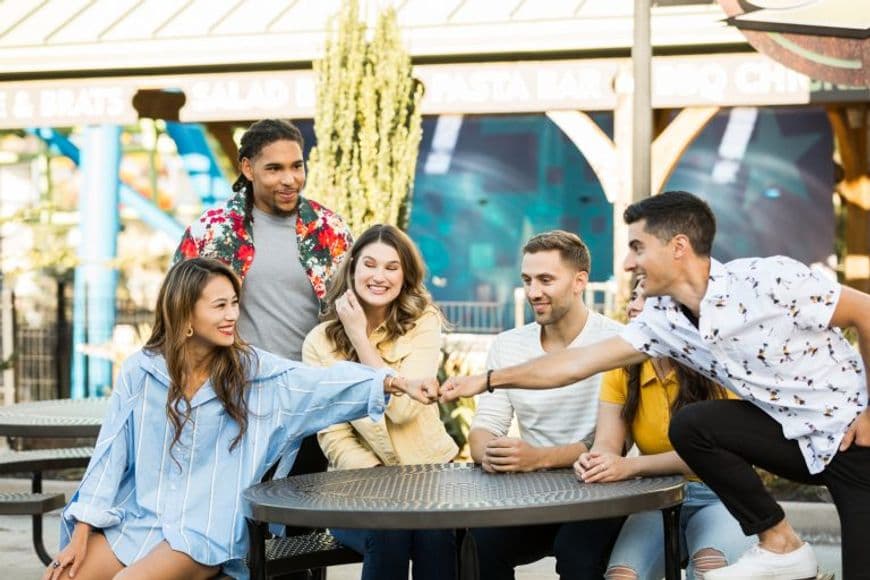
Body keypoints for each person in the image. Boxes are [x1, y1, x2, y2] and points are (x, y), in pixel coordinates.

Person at [440, 190, 870, 580]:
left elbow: (865, 313)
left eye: (637, 248)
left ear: (677, 247)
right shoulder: (664, 322)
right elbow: (573, 365)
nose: (628, 262)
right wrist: (489, 379)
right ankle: (780, 544)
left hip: (856, 442)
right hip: (793, 441)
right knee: (694, 424)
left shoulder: (768, 280)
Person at [45, 258, 434, 580]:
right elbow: (109, 456)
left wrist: (394, 383)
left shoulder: (255, 374)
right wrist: (82, 532)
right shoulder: (140, 371)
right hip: (139, 519)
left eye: (234, 303)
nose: (233, 315)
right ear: (185, 315)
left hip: (204, 530)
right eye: (220, 306)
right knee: (60, 577)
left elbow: (324, 383)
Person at [174, 118, 353, 485]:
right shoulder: (210, 232)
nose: (289, 179)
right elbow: (177, 316)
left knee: (303, 513)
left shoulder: (329, 230)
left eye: (296, 166)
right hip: (233, 398)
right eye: (274, 168)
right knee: (234, 517)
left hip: (310, 398)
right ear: (247, 167)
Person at [302, 224, 458, 580]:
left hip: (428, 477)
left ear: (405, 276)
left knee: (435, 538)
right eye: (370, 264)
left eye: (392, 267)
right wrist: (379, 482)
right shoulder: (320, 343)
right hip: (359, 486)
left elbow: (403, 409)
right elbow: (332, 432)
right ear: (353, 266)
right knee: (389, 530)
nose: (379, 276)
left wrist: (360, 337)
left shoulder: (423, 322)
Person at [467, 230, 624, 579]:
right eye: (527, 280)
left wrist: (539, 458)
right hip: (532, 495)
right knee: (475, 543)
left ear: (579, 281)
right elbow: (484, 426)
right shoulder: (508, 345)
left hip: (601, 493)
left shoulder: (615, 343)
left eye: (546, 279)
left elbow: (614, 445)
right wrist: (491, 452)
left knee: (577, 556)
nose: (533, 292)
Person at [577, 275, 754, 580]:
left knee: (710, 568)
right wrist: (597, 461)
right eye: (633, 297)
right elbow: (607, 441)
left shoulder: (718, 362)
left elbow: (711, 454)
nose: (633, 307)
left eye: (645, 299)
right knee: (622, 576)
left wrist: (628, 466)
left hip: (722, 495)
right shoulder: (622, 367)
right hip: (656, 497)